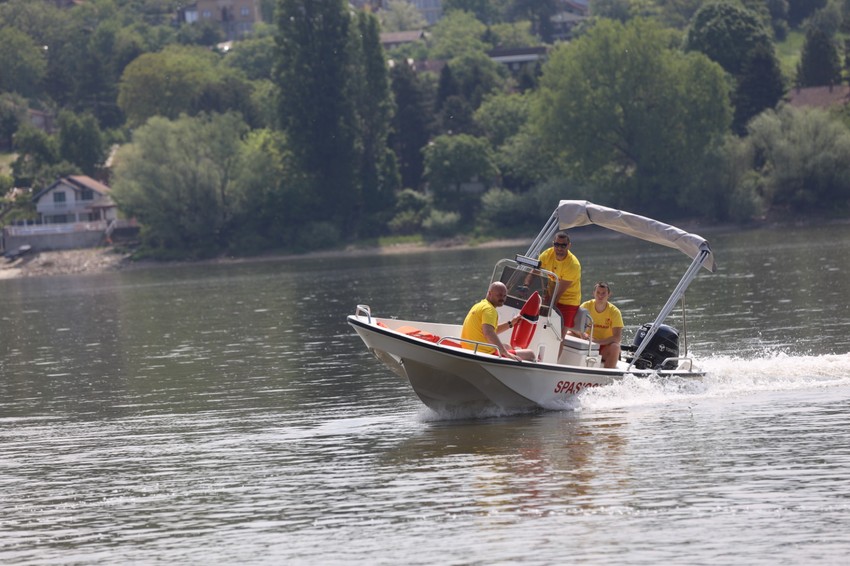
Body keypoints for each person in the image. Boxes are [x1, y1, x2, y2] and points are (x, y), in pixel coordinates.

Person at [461, 282, 536, 361]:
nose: (502, 299)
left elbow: (490, 330)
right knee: (531, 354)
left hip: (469, 348)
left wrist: (511, 323)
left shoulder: (479, 305)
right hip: (483, 353)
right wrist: (505, 353)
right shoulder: (490, 310)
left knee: (507, 346)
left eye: (504, 296)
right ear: (490, 293)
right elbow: (488, 332)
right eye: (499, 295)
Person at [537, 231, 581, 336]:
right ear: (553, 244)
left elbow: (557, 295)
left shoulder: (573, 265)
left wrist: (547, 309)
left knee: (558, 335)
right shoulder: (547, 254)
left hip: (568, 300)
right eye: (557, 245)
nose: (559, 248)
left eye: (563, 245)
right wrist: (526, 285)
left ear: (569, 246)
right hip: (551, 294)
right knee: (539, 326)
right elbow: (535, 271)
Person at [579, 282, 623, 369]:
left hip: (604, 345)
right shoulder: (586, 306)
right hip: (587, 340)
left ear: (609, 294)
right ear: (593, 293)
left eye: (603, 293)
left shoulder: (614, 311)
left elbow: (617, 338)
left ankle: (608, 378)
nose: (600, 296)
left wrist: (597, 342)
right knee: (567, 334)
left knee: (615, 346)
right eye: (598, 293)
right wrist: (582, 334)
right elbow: (573, 326)